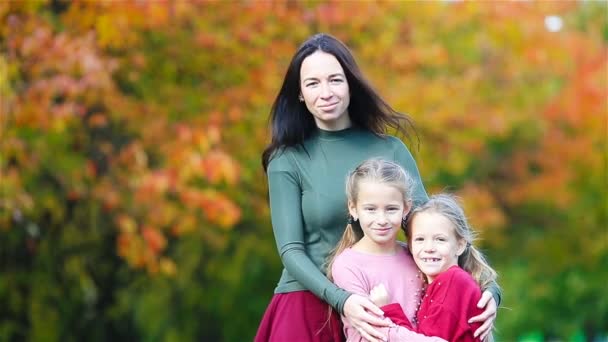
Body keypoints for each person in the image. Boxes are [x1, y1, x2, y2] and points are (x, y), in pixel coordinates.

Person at [255, 33, 500, 342]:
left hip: (384, 305)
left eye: (335, 80)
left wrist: (488, 288)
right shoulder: (287, 159)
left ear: (350, 85)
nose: (326, 92)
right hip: (309, 304)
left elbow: (432, 229)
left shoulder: (391, 151)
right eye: (313, 83)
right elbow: (290, 250)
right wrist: (342, 300)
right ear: (300, 94)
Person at [328, 158, 447, 342]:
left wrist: (490, 292)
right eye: (371, 209)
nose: (382, 219)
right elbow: (374, 331)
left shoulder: (416, 255)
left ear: (406, 208)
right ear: (354, 209)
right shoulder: (347, 265)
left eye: (391, 209)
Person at [366, 193, 499, 342]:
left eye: (440, 239)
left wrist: (388, 309)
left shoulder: (453, 282)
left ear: (460, 246)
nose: (429, 248)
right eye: (420, 239)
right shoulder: (440, 283)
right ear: (410, 245)